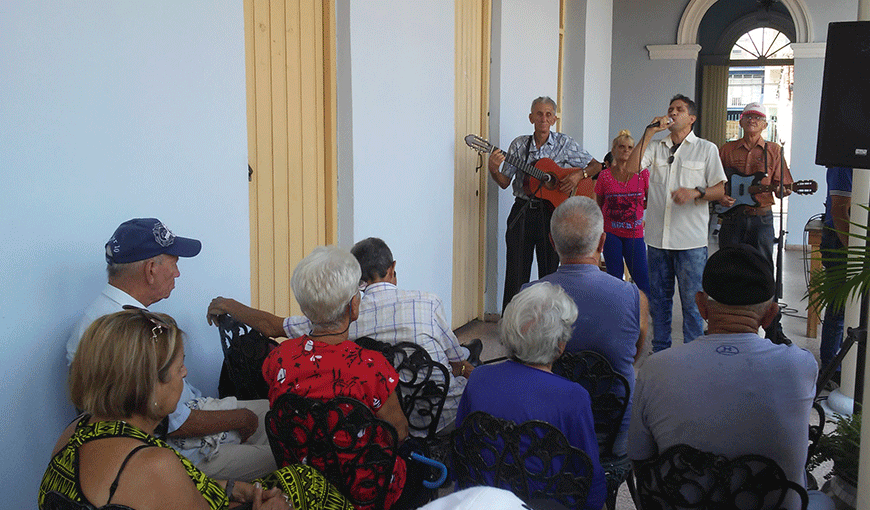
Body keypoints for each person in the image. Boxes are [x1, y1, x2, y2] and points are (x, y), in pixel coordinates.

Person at [41, 309, 353, 510]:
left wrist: (234, 488)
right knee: (308, 483)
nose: (185, 374)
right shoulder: (153, 465)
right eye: (179, 368)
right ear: (148, 386)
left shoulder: (73, 433)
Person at [67, 218, 275, 480]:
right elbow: (172, 422)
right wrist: (242, 419)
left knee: (281, 413)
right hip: (177, 454)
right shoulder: (128, 332)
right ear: (151, 269)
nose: (177, 273)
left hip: (177, 426)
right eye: (174, 263)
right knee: (289, 450)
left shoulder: (106, 315)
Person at [208, 237, 480, 434]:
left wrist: (230, 305)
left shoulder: (300, 340)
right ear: (354, 305)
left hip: (357, 427)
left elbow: (271, 326)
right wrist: (467, 367)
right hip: (433, 417)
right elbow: (456, 359)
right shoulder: (427, 303)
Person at [628, 245, 824, 510]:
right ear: (770, 315)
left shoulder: (656, 368)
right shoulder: (801, 366)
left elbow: (640, 459)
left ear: (701, 306)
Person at [260, 245, 429, 510]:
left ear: (305, 309)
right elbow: (398, 431)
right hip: (364, 492)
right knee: (420, 458)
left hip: (304, 484)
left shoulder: (279, 358)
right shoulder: (372, 365)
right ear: (354, 306)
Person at [457, 282, 606, 510]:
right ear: (560, 345)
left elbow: (460, 451)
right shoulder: (573, 397)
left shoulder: (478, 379)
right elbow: (589, 478)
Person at [526, 196, 647, 457]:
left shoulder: (528, 296)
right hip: (613, 435)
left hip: (546, 432)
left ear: (551, 241)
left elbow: (522, 361)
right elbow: (634, 354)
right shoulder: (634, 297)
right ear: (603, 242)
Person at [625, 94, 726, 351]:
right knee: (659, 303)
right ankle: (661, 353)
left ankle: (691, 356)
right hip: (658, 240)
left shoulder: (706, 149)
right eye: (670, 109)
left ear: (691, 118)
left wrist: (695, 192)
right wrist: (649, 132)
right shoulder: (656, 147)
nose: (673, 112)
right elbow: (630, 168)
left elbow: (719, 190)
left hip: (690, 242)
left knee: (693, 305)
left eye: (679, 109)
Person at [488, 96, 602, 311]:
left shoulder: (564, 143)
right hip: (522, 211)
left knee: (550, 271)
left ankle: (551, 320)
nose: (543, 118)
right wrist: (494, 170)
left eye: (548, 114)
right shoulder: (519, 144)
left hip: (553, 215)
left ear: (554, 119)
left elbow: (596, 165)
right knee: (516, 270)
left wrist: (579, 175)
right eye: (539, 114)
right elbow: (504, 183)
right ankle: (511, 319)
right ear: (531, 117)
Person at [718, 102, 794, 344]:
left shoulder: (774, 151)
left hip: (761, 218)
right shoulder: (726, 150)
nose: (752, 119)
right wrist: (721, 194)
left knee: (764, 271)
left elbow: (785, 187)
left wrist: (783, 189)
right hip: (731, 219)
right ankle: (726, 323)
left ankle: (773, 328)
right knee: (727, 268)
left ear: (765, 124)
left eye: (758, 117)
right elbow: (715, 181)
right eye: (748, 116)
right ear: (740, 122)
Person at [594, 129, 651, 296]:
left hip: (635, 233)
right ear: (613, 150)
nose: (626, 150)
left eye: (630, 147)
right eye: (622, 146)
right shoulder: (604, 176)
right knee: (614, 278)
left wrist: (638, 211)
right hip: (611, 233)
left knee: (642, 277)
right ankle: (616, 312)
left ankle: (645, 313)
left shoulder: (643, 174)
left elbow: (651, 200)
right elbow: (598, 205)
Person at [820, 167, 853, 384]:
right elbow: (839, 212)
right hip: (841, 242)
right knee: (839, 309)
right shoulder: (844, 163)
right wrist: (855, 251)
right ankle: (832, 370)